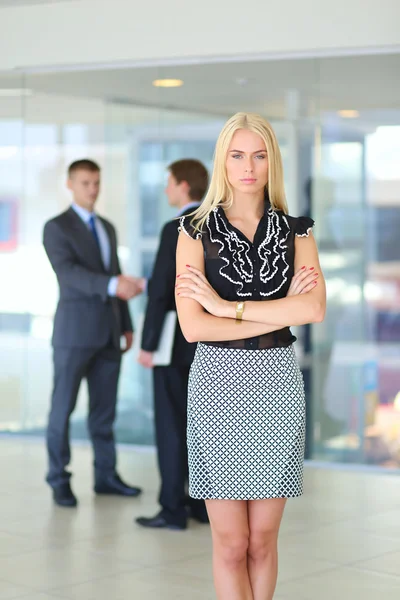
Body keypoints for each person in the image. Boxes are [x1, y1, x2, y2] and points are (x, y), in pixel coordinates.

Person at [175, 113, 326, 599]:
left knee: (262, 540)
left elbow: (315, 308)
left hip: (278, 387)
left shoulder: (298, 231)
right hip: (217, 385)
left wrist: (226, 306)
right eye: (237, 155)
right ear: (223, 160)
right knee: (232, 540)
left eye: (259, 155)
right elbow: (193, 325)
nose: (248, 166)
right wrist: (279, 311)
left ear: (271, 161)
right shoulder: (194, 229)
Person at [43, 159, 145, 508]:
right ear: (70, 184)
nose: (93, 189)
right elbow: (70, 274)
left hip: (108, 334)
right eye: (86, 182)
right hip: (73, 335)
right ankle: (59, 479)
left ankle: (106, 477)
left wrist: (127, 325)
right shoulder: (56, 228)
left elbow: (114, 272)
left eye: (97, 182)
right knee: (62, 410)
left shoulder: (107, 227)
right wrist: (115, 285)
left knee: (104, 412)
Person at [136, 159, 209, 530]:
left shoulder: (176, 227)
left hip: (176, 345)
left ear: (183, 186)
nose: (165, 190)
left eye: (168, 183)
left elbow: (163, 291)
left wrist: (147, 344)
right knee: (203, 429)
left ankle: (172, 508)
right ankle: (201, 505)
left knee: (171, 425)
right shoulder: (220, 224)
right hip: (214, 345)